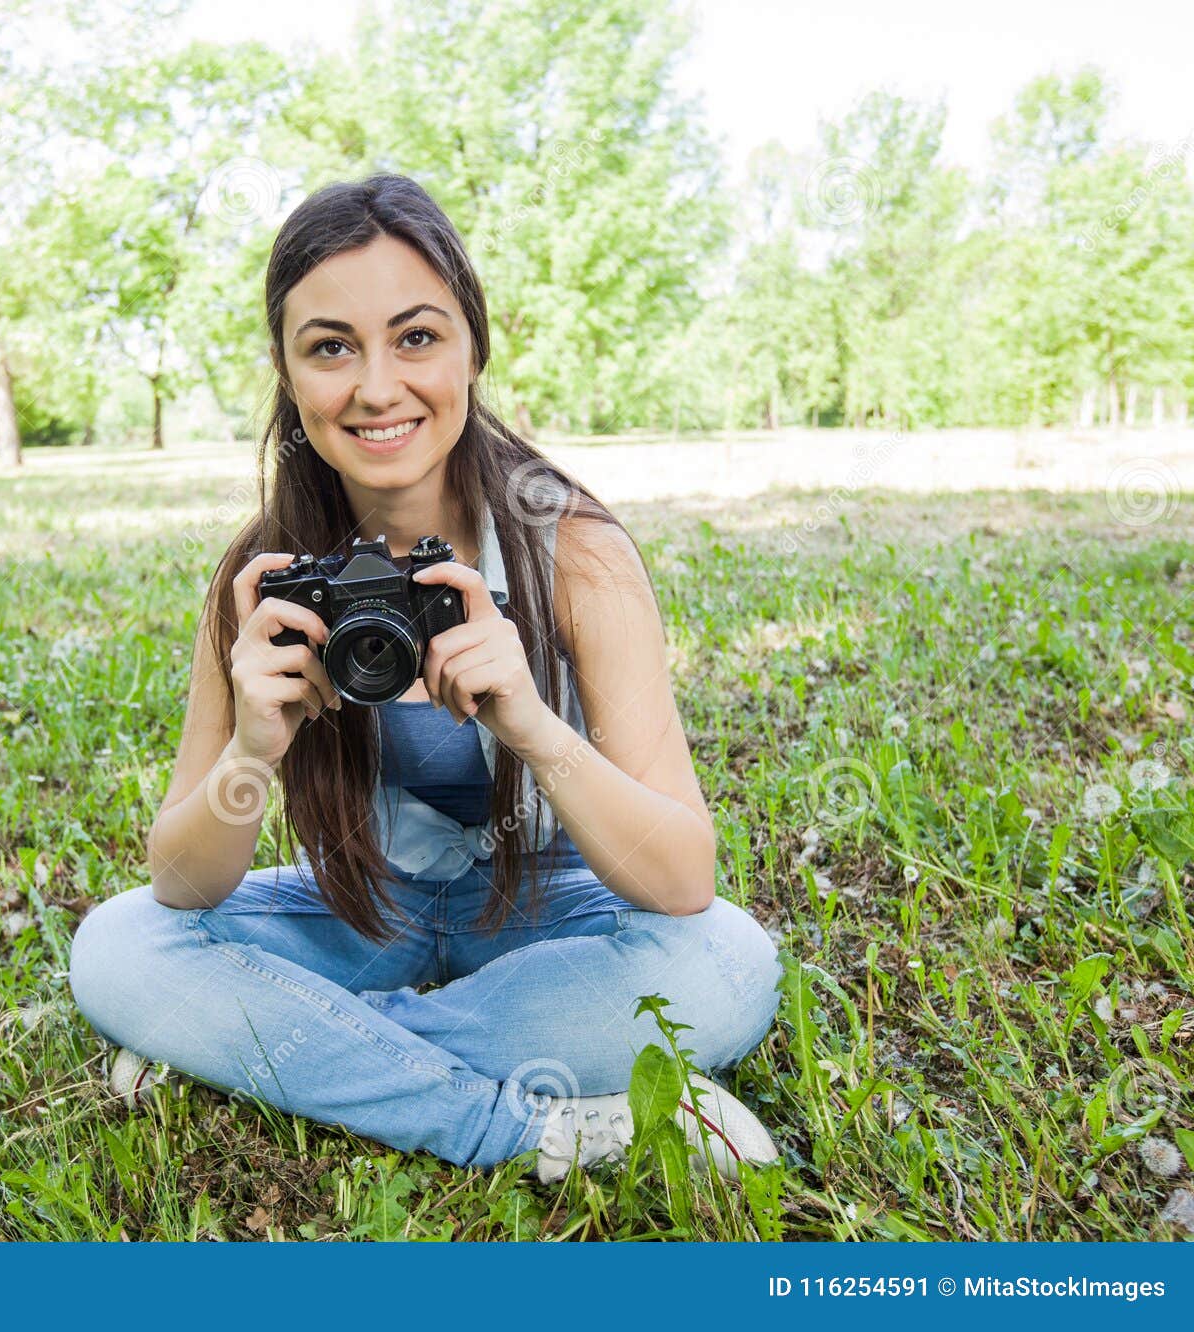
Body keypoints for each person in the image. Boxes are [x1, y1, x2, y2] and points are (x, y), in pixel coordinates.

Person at [69, 173, 782, 1184]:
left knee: (727, 965)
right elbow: (185, 883)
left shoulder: (571, 552)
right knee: (119, 947)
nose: (374, 387)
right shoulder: (264, 576)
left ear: (471, 347)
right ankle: (535, 1124)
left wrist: (533, 724)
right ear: (286, 370)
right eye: (329, 347)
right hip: (370, 910)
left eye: (415, 337)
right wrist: (250, 750)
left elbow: (681, 880)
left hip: (548, 908)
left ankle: (277, 1052)